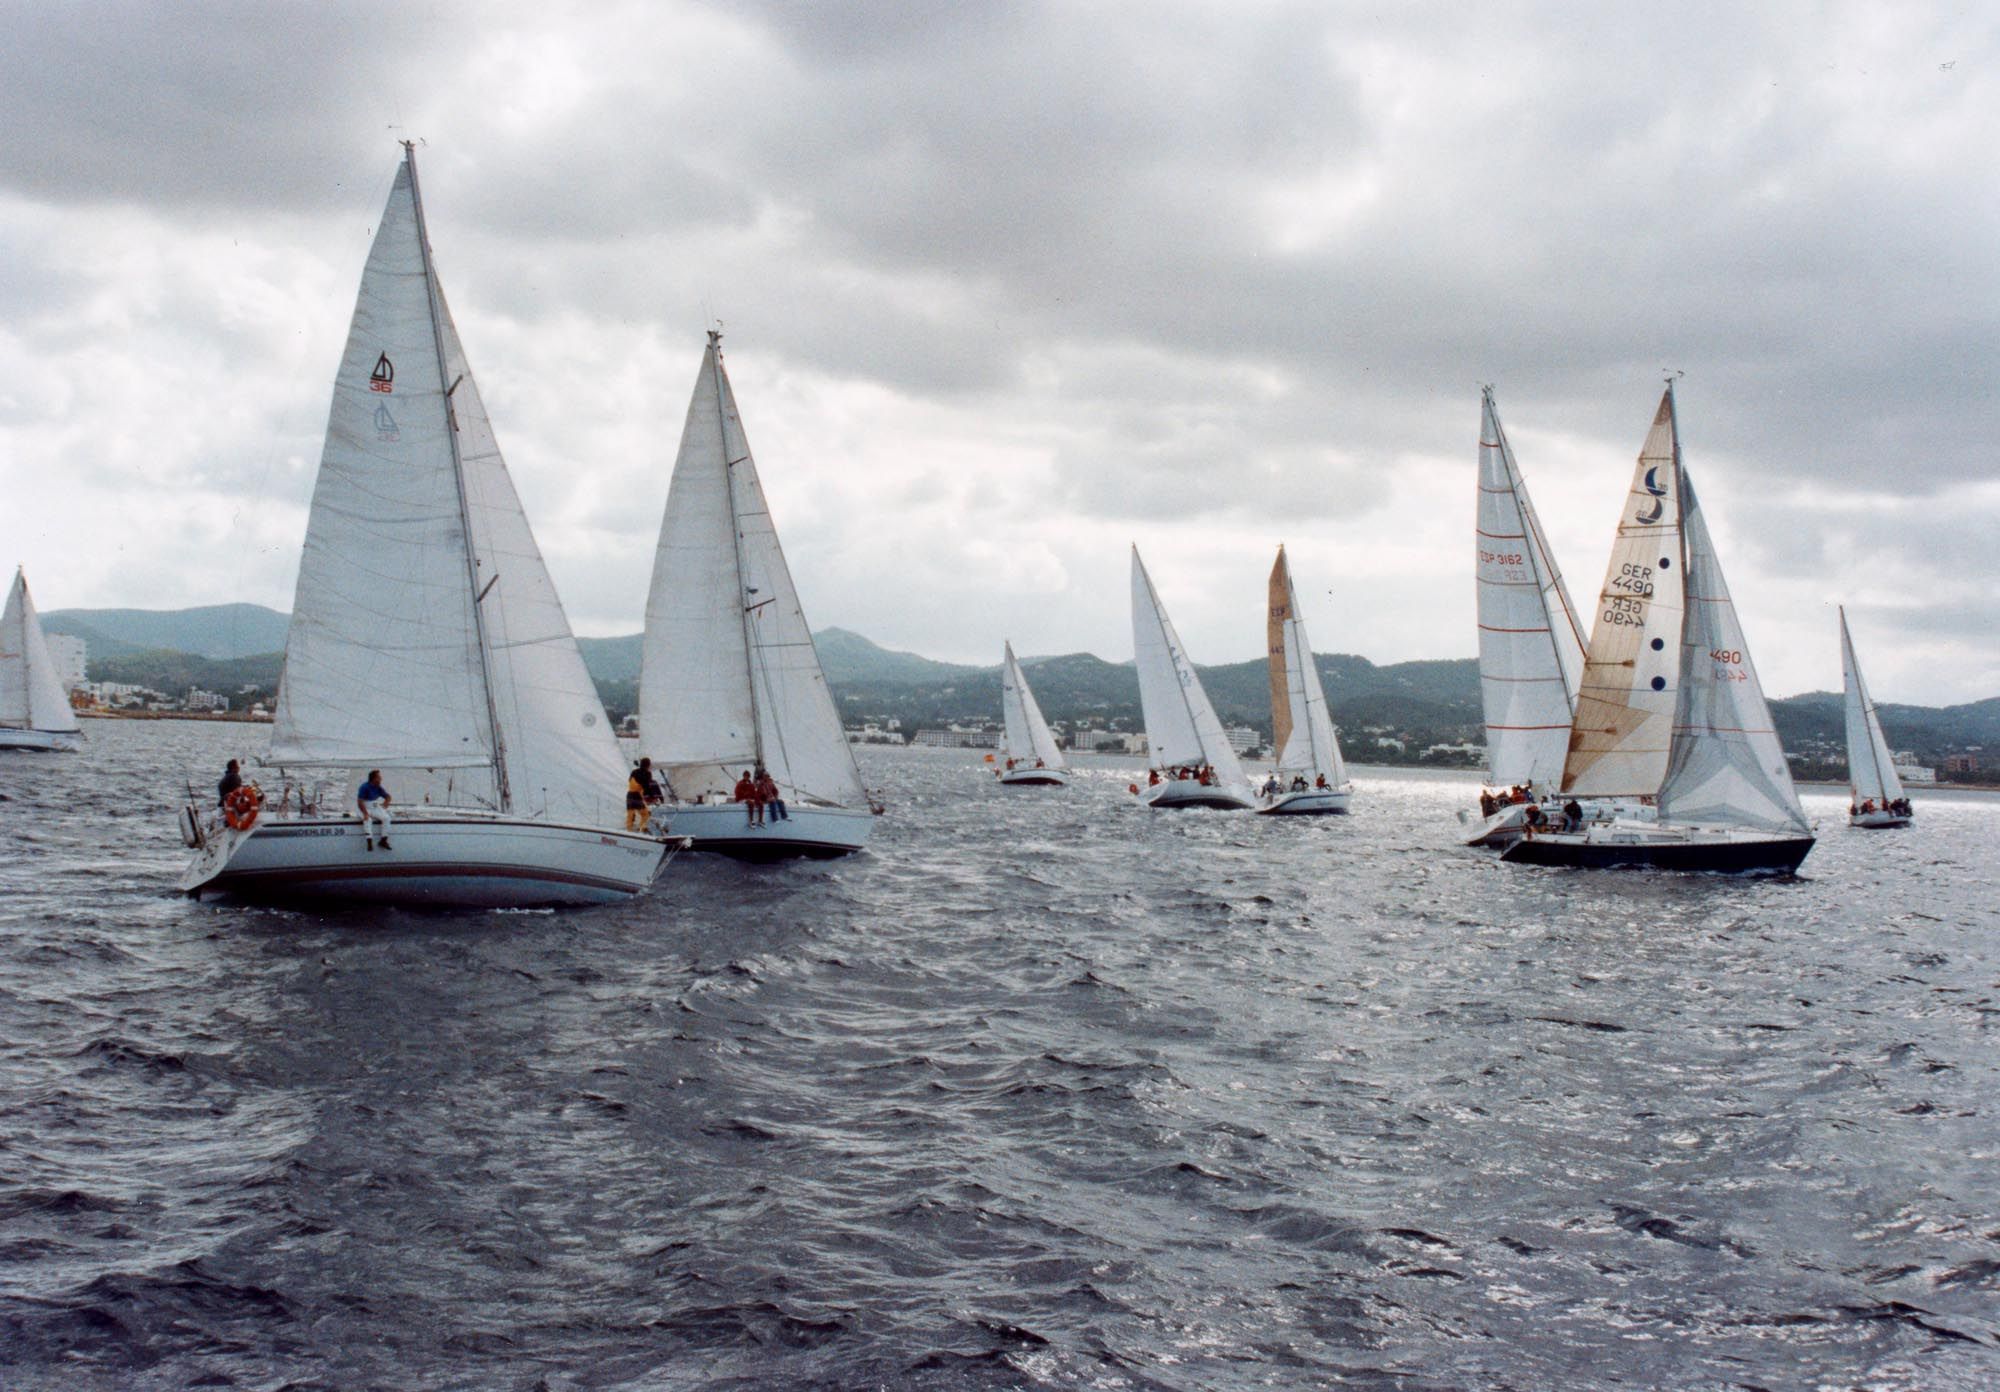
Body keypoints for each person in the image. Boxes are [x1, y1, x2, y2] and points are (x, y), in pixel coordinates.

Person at [356, 769, 392, 850]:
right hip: (364, 807)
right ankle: (369, 842)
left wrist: (386, 803)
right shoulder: (364, 787)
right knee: (368, 819)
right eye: (379, 778)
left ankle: (383, 840)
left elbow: (388, 796)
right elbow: (359, 802)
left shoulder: (378, 787)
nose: (381, 779)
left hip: (374, 807)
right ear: (373, 779)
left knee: (387, 818)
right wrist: (365, 813)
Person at [627, 758, 663, 832]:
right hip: (637, 796)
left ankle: (628, 831)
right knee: (645, 815)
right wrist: (652, 796)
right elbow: (647, 786)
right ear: (648, 765)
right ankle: (642, 829)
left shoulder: (634, 771)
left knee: (630, 815)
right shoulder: (647, 773)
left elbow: (630, 780)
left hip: (629, 795)